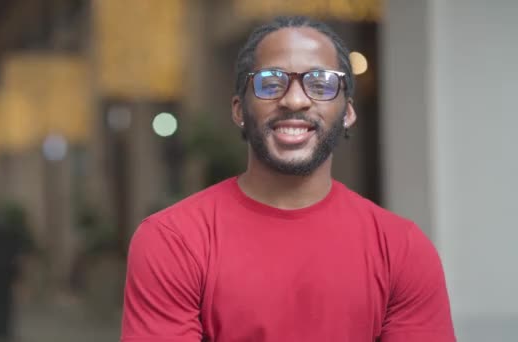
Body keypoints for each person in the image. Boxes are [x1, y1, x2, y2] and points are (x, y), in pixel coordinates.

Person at [120, 15, 456, 342]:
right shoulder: (173, 241)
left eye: (321, 83)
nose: (295, 99)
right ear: (239, 109)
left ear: (348, 112)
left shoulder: (403, 249)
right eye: (270, 82)